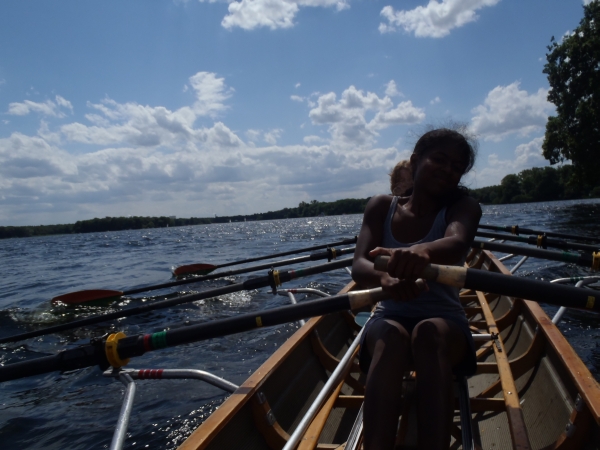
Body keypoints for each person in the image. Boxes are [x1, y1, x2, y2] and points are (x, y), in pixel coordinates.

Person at [352, 128, 482, 450]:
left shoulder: (464, 207)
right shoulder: (381, 206)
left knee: (427, 333)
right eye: (439, 159)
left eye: (456, 167)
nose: (447, 169)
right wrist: (385, 280)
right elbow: (359, 266)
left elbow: (456, 241)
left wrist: (422, 251)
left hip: (444, 322)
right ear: (416, 160)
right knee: (392, 336)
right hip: (389, 314)